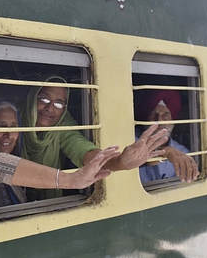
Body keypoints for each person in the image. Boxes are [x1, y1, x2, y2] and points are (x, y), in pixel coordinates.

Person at [21, 76, 168, 199]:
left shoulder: (63, 126)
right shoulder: (14, 122)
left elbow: (82, 149)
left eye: (59, 103)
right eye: (45, 99)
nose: (50, 108)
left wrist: (119, 162)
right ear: (33, 98)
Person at [0, 98, 121, 209]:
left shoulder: (16, 150)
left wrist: (120, 161)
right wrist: (70, 180)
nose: (8, 134)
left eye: (14, 126)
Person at [134, 90, 199, 183]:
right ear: (146, 118)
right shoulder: (132, 139)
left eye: (166, 116)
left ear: (173, 120)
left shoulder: (182, 153)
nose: (159, 120)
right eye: (153, 114)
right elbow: (128, 159)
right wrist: (165, 153)